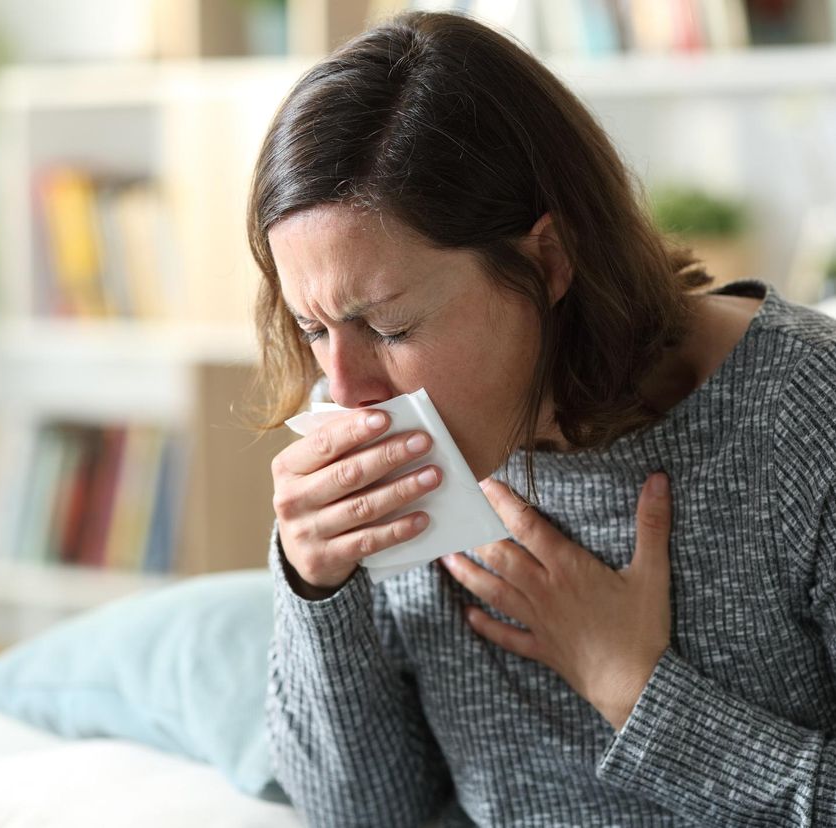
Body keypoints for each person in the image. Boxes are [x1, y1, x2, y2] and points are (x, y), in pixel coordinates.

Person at [247, 11, 836, 827]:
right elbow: (363, 811)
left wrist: (635, 691)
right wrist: (317, 586)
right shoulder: (371, 452)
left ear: (548, 260)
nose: (345, 393)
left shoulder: (805, 415)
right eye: (313, 328)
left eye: (389, 327)